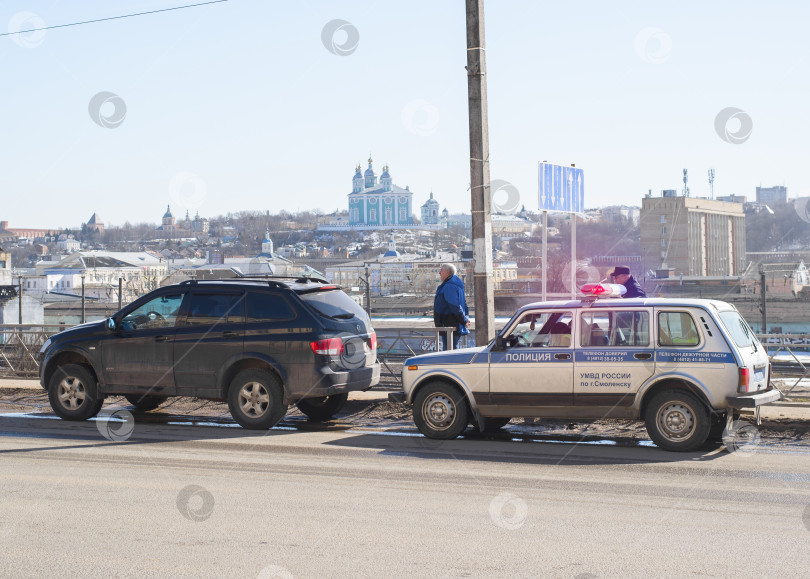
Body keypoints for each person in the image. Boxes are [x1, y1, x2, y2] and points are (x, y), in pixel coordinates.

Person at [433, 263, 470, 350]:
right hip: (453, 324)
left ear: (447, 272)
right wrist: (465, 319)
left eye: (441, 271)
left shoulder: (449, 286)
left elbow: (455, 306)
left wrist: (464, 320)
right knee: (451, 351)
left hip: (448, 324)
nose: (439, 273)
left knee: (449, 353)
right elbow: (464, 305)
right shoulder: (456, 285)